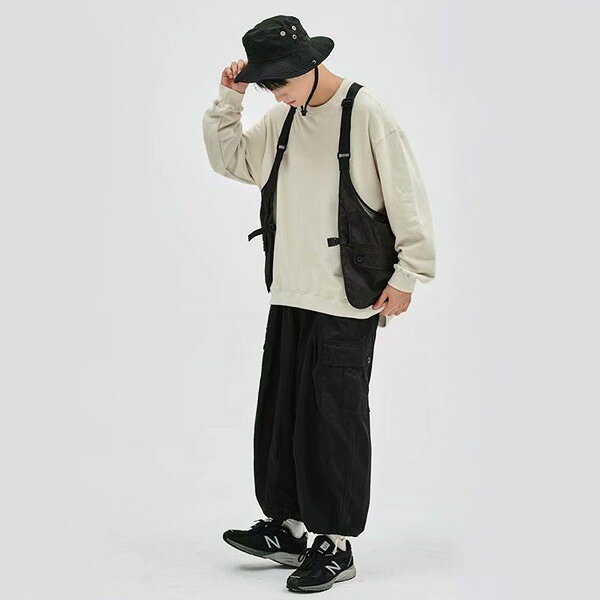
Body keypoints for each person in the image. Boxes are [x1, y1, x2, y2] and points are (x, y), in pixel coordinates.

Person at [202, 14, 435, 593]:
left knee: (333, 421)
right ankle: (287, 528)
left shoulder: (366, 114)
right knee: (281, 414)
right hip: (290, 289)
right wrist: (230, 100)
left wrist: (409, 273)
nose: (274, 93)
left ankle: (335, 542)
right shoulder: (284, 118)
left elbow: (407, 197)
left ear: (310, 64)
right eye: (265, 85)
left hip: (347, 296)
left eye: (279, 82)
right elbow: (232, 161)